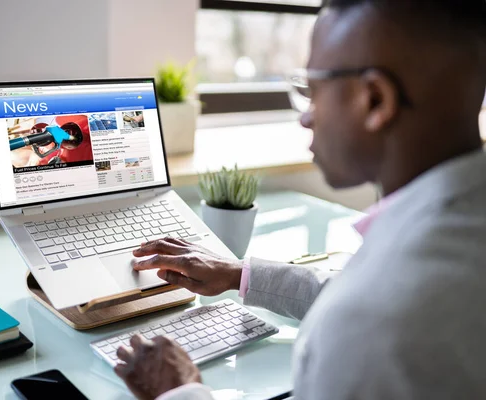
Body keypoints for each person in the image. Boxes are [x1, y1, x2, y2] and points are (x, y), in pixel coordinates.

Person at [114, 0, 486, 399]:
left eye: (313, 89)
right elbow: (350, 289)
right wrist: (240, 274)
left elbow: (369, 308)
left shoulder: (373, 328)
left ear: (375, 100)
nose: (306, 117)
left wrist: (180, 391)